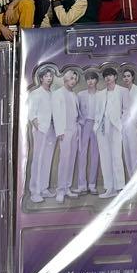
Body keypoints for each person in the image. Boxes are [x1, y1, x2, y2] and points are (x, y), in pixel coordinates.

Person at [26, 64, 58, 203]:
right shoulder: (36, 93)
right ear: (41, 78)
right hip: (41, 129)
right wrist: (38, 127)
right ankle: (35, 191)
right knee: (38, 159)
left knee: (47, 158)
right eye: (46, 76)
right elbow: (31, 113)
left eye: (50, 76)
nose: (49, 78)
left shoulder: (52, 93)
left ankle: (44, 188)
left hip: (52, 129)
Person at [94, 66, 127, 197]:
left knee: (116, 157)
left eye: (110, 75)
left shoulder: (123, 91)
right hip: (102, 128)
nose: (108, 77)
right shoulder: (100, 94)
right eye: (106, 76)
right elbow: (97, 112)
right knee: (105, 158)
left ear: (115, 77)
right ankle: (109, 188)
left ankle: (120, 187)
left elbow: (127, 110)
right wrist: (96, 126)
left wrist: (121, 124)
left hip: (116, 127)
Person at [51, 68, 81, 203]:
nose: (73, 81)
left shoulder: (74, 95)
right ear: (65, 79)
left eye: (75, 79)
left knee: (71, 159)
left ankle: (67, 187)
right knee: (64, 160)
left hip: (74, 129)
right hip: (64, 131)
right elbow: (56, 114)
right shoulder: (58, 94)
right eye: (71, 78)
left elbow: (76, 113)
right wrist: (60, 131)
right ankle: (60, 190)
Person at [74, 69, 102, 194]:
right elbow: (77, 111)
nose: (90, 81)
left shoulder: (101, 94)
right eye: (88, 79)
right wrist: (80, 123)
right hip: (85, 124)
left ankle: (92, 184)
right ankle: (82, 185)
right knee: (82, 153)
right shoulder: (80, 95)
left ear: (96, 80)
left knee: (95, 154)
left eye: (92, 79)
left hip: (96, 125)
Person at [118, 63, 137, 179]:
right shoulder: (121, 91)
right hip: (123, 124)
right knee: (126, 151)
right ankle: (131, 178)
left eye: (128, 76)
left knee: (133, 150)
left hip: (133, 124)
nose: (126, 78)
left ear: (132, 77)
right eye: (124, 76)